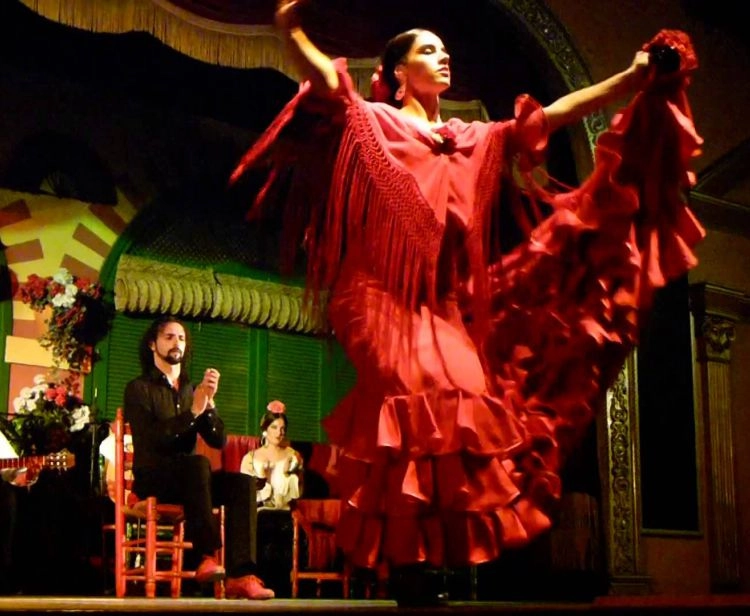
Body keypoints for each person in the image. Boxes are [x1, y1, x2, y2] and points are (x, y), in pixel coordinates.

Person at [230, 0, 704, 603]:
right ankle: (404, 565)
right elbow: (328, 82)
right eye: (427, 49)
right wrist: (290, 29)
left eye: (444, 48)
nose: (443, 55)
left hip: (436, 304)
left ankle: (431, 561)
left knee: (468, 400)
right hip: (374, 292)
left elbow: (557, 114)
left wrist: (633, 79)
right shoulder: (372, 119)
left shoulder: (475, 139)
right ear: (398, 71)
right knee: (415, 393)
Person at [123, 316, 274, 600]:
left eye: (181, 338)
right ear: (152, 344)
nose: (176, 342)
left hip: (194, 482)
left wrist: (209, 407)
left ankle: (240, 575)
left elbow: (219, 440)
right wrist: (192, 412)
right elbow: (154, 439)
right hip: (155, 477)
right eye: (169, 337)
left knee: (242, 484)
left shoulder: (193, 389)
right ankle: (205, 556)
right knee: (198, 465)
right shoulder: (138, 388)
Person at [240, 400, 303, 510]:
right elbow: (245, 495)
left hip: (285, 513)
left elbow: (297, 493)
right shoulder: (250, 459)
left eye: (282, 428)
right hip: (259, 514)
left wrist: (290, 472)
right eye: (274, 427)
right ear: (265, 430)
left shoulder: (293, 456)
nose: (279, 433)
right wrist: (264, 478)